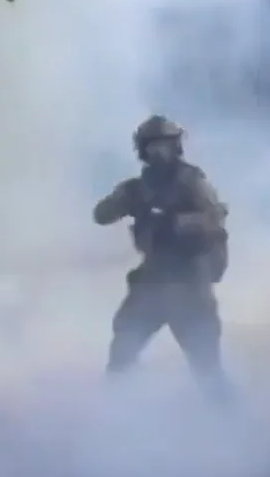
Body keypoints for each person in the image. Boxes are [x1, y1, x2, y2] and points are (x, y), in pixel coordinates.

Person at [92, 115, 231, 401]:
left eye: (165, 146)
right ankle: (113, 414)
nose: (159, 153)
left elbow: (215, 215)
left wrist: (177, 222)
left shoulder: (191, 180)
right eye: (153, 147)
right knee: (122, 353)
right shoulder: (138, 188)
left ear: (176, 147)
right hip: (153, 281)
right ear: (143, 150)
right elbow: (102, 215)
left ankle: (232, 422)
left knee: (206, 366)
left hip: (189, 282)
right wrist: (123, 200)